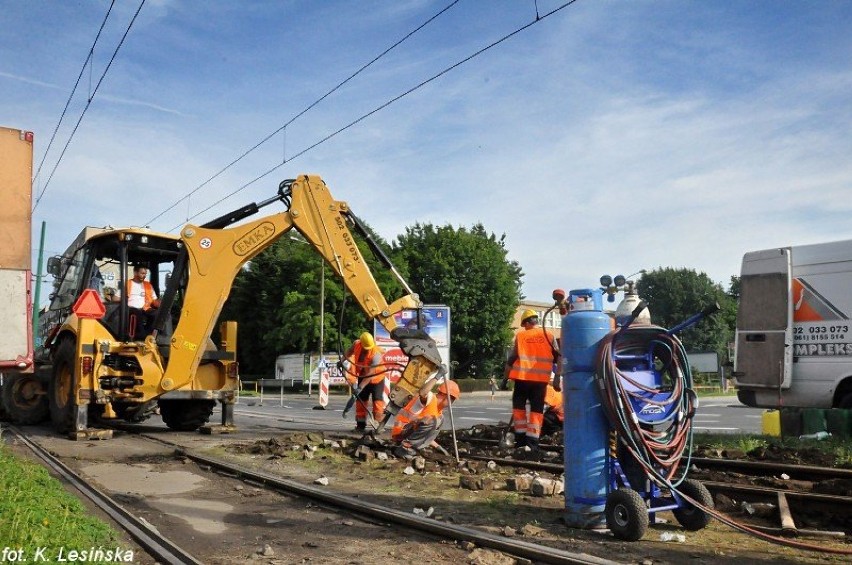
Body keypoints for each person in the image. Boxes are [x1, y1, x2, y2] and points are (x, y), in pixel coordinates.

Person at [501, 309, 560, 451]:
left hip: (522, 379)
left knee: (519, 409)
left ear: (527, 322)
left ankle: (520, 441)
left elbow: (511, 359)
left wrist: (504, 380)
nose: (524, 327)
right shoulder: (549, 335)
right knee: (536, 412)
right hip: (540, 382)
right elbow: (559, 357)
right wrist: (557, 377)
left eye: (524, 324)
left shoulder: (521, 336)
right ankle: (532, 444)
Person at [391, 378, 460, 456]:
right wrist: (437, 376)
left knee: (440, 419)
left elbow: (425, 433)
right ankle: (404, 447)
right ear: (445, 396)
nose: (451, 403)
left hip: (409, 431)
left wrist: (437, 447)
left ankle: (413, 446)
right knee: (431, 420)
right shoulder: (430, 398)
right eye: (452, 399)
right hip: (401, 430)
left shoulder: (438, 412)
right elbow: (423, 392)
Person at [342, 332, 385, 432]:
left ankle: (378, 426)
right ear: (361, 343)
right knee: (361, 400)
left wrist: (360, 387)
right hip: (362, 376)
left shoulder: (376, 354)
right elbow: (349, 351)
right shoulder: (357, 344)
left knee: (377, 402)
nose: (367, 349)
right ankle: (360, 425)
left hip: (376, 379)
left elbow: (370, 373)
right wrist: (342, 360)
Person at [120, 265, 160, 338]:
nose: (144, 275)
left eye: (145, 273)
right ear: (135, 273)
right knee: (137, 312)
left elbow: (154, 300)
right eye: (142, 273)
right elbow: (116, 298)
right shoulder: (127, 284)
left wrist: (160, 304)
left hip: (145, 308)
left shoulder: (148, 285)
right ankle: (140, 336)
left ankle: (149, 334)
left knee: (157, 313)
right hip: (130, 308)